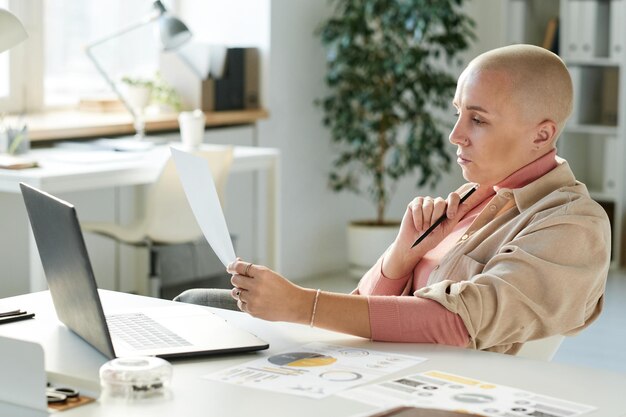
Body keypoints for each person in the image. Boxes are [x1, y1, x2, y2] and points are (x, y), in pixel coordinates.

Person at [175, 44, 610, 355]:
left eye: (477, 119)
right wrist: (399, 259)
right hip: (373, 357)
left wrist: (301, 305)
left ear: (542, 134)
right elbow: (361, 302)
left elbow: (457, 323)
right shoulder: (474, 195)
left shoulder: (573, 225)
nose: (455, 134)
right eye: (457, 112)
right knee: (192, 307)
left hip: (428, 384)